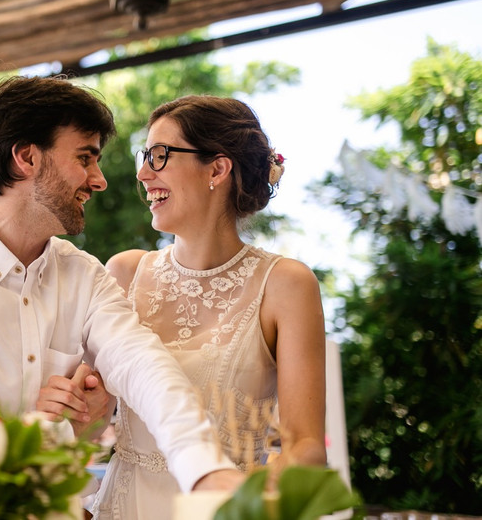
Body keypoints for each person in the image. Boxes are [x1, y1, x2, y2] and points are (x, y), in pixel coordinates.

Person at [0, 76, 244, 500]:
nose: (98, 180)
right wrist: (60, 433)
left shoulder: (85, 276)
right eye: (85, 157)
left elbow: (144, 366)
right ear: (26, 157)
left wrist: (204, 469)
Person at [91, 95, 328, 519]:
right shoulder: (124, 273)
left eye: (159, 155)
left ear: (217, 169)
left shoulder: (286, 285)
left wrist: (261, 498)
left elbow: (305, 445)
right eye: (144, 157)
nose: (143, 173)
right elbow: (88, 419)